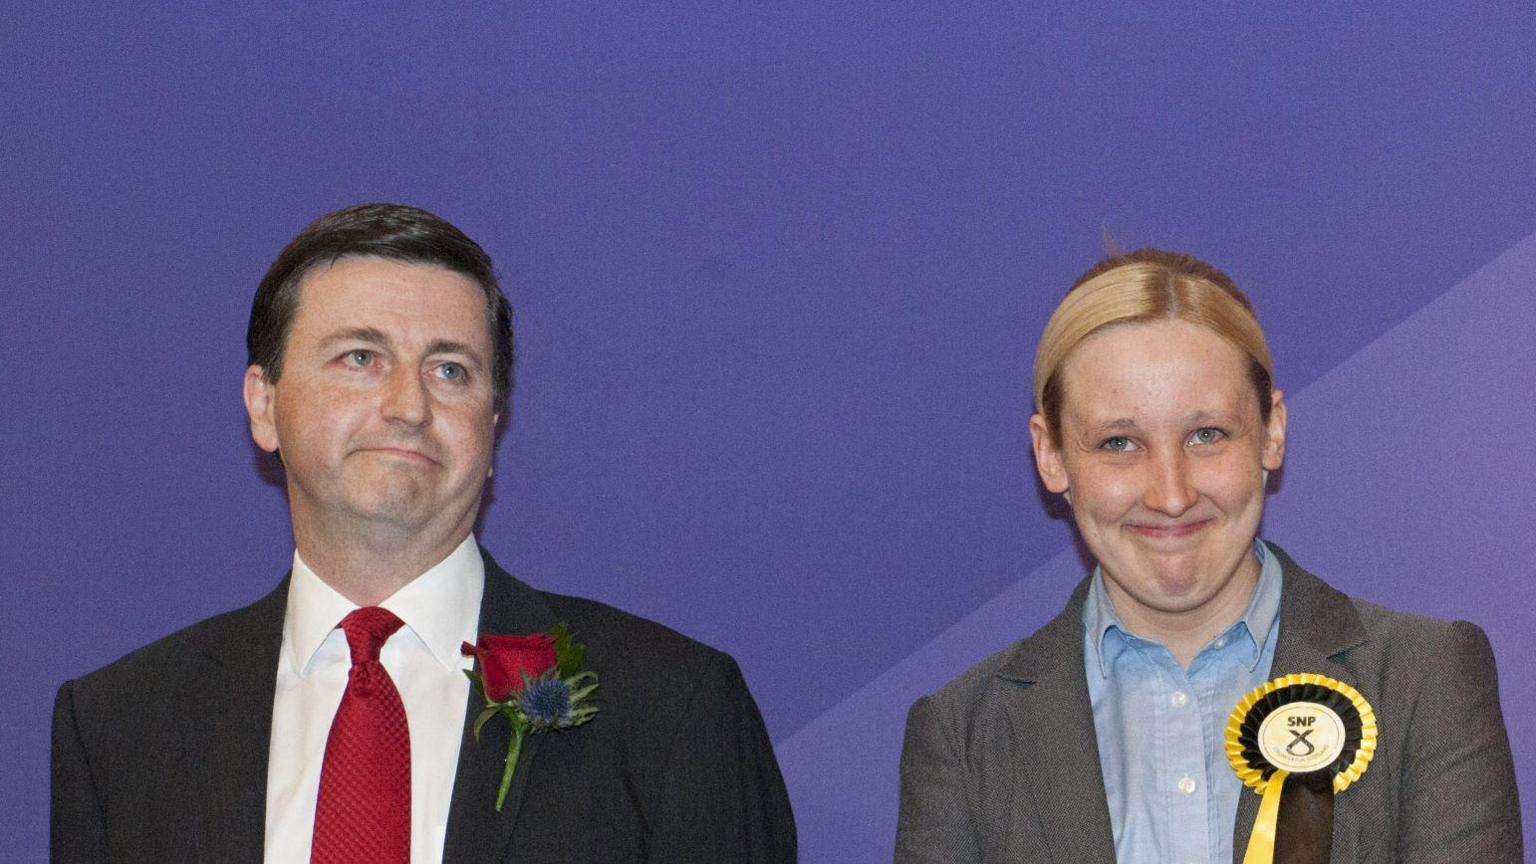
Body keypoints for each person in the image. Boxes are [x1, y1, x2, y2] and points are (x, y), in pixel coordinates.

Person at [51, 203, 797, 864]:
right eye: (361, 358)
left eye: (449, 370)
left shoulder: (674, 708)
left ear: (492, 422)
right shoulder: (122, 726)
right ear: (263, 404)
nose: (408, 404)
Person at [894, 249, 1522, 863]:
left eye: (1207, 435)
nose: (1171, 495)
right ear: (1051, 454)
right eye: (1118, 442)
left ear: (1272, 431)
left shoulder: (1423, 682)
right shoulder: (962, 737)